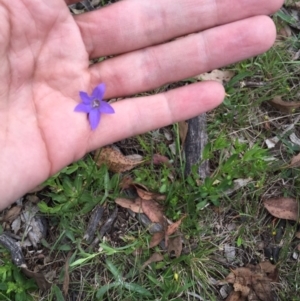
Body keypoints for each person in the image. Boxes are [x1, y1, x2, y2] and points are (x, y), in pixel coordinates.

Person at [0, 0, 283, 210]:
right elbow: (91, 105)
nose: (97, 103)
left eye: (98, 102)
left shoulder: (96, 106)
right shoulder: (90, 105)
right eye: (95, 103)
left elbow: (97, 106)